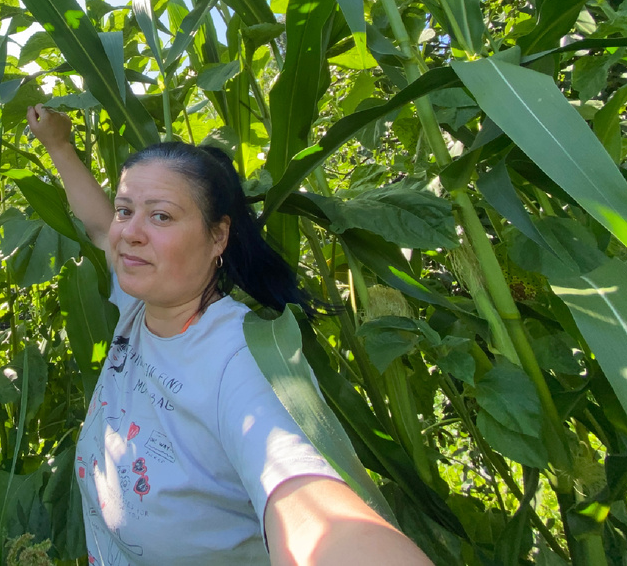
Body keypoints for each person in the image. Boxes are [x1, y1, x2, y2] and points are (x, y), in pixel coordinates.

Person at [26, 104, 431, 566]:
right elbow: (102, 229)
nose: (131, 233)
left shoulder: (241, 361)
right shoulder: (140, 303)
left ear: (218, 238)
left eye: (161, 216)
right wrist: (58, 144)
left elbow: (307, 506)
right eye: (126, 210)